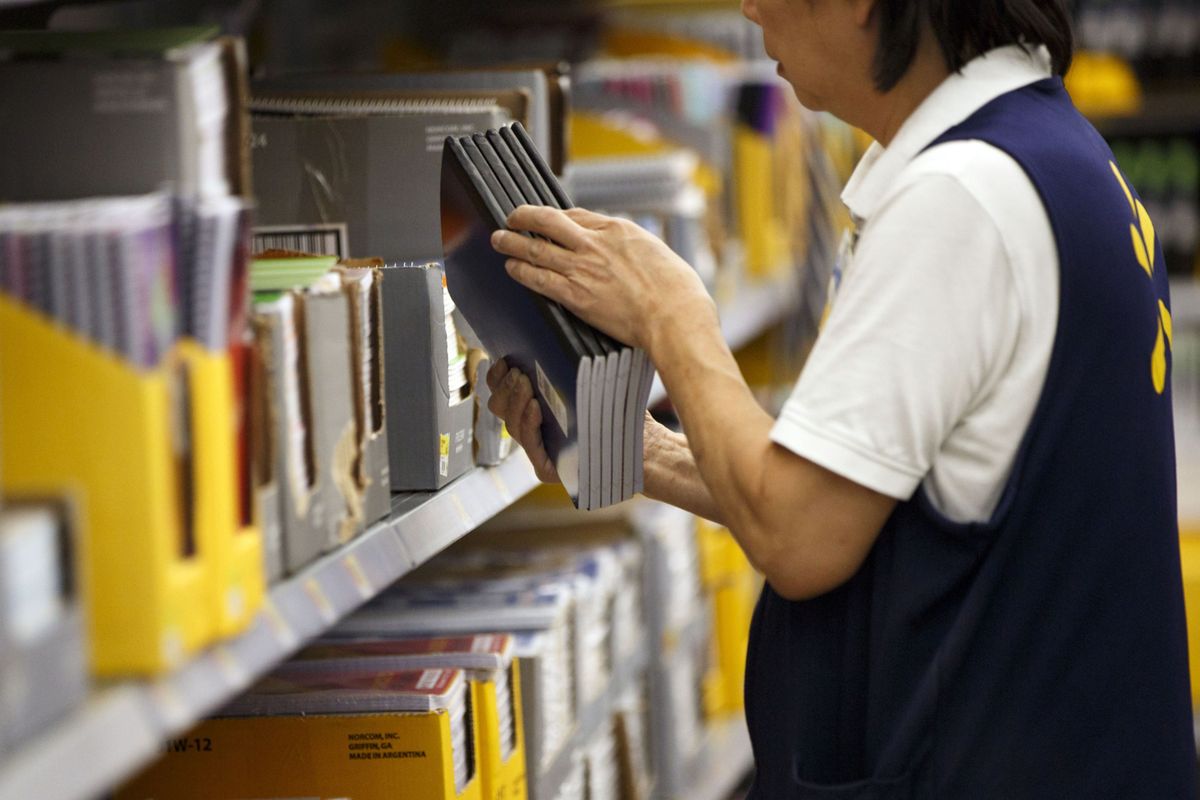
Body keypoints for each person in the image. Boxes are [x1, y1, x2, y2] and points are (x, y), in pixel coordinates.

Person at [486, 0, 1198, 796]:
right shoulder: (1044, 155)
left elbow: (799, 539)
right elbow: (861, 500)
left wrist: (670, 314)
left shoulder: (959, 197)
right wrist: (629, 449)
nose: (751, 7)